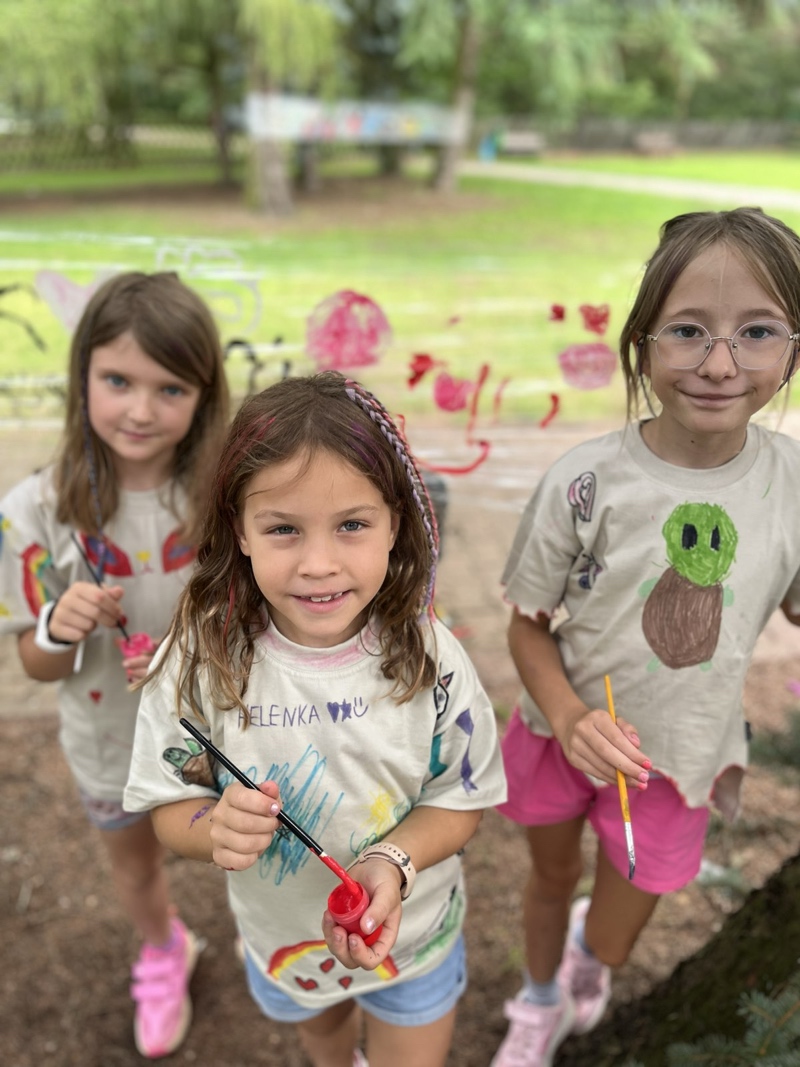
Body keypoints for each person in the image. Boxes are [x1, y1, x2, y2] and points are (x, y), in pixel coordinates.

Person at [123, 371, 507, 1067]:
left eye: (352, 524)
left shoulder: (431, 657)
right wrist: (213, 826)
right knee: (323, 1040)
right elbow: (165, 806)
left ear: (398, 522)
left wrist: (393, 858)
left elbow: (461, 797)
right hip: (285, 944)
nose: (319, 563)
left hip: (412, 939)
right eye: (284, 529)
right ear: (239, 528)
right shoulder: (199, 656)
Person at [490, 206, 800, 1067]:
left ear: (795, 347)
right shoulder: (584, 480)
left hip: (679, 759)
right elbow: (525, 623)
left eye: (759, 331)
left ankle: (593, 958)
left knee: (620, 936)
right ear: (643, 341)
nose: (720, 362)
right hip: (562, 737)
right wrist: (567, 713)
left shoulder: (794, 487)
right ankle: (538, 999)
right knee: (550, 879)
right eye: (689, 330)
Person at [0, 271, 229, 1059]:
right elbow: (32, 662)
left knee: (254, 839)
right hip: (109, 735)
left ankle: (286, 940)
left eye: (170, 387)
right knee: (135, 864)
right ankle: (166, 946)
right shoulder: (35, 510)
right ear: (83, 376)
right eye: (117, 379)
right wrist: (59, 630)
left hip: (227, 731)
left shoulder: (227, 497)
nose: (139, 408)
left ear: (205, 394)